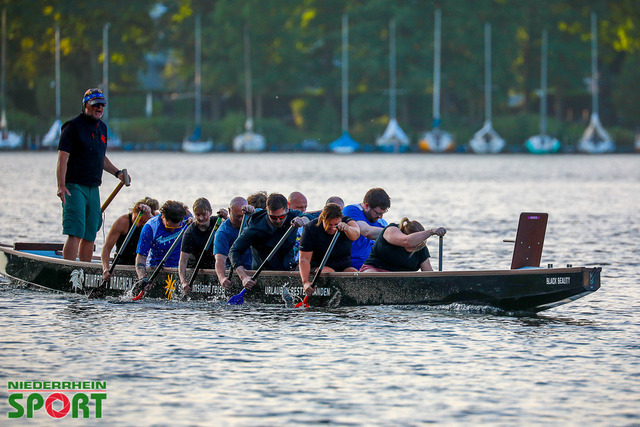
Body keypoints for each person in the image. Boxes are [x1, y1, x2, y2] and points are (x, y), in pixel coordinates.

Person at [56, 88, 129, 261]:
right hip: (74, 187)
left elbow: (100, 157)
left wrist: (118, 173)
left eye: (102, 104)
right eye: (96, 104)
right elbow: (62, 158)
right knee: (76, 231)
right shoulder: (72, 127)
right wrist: (61, 185)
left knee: (90, 233)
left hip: (93, 187)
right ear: (85, 105)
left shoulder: (102, 128)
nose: (100, 108)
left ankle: (84, 271)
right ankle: (68, 270)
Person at [229, 193, 310, 289]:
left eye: (281, 217)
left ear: (287, 209)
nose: (278, 220)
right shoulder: (255, 225)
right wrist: (244, 277)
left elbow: (314, 218)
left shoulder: (293, 215)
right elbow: (234, 251)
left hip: (288, 271)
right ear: (267, 210)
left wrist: (305, 220)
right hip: (262, 275)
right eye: (273, 217)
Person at [299, 203, 360, 296]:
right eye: (329, 224)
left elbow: (356, 234)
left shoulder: (347, 222)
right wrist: (306, 282)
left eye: (335, 224)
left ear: (341, 219)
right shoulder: (311, 228)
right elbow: (304, 259)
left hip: (343, 265)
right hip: (318, 266)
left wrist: (347, 229)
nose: (332, 228)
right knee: (330, 273)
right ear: (322, 219)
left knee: (354, 273)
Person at [101, 197, 159, 281]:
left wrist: (150, 216)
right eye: (136, 219)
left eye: (143, 222)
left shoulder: (155, 219)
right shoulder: (122, 222)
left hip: (143, 265)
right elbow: (106, 248)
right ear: (133, 212)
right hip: (122, 263)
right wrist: (106, 269)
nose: (138, 224)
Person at [178, 198, 228, 293]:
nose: (201, 218)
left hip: (216, 266)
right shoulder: (190, 232)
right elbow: (183, 261)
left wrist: (227, 217)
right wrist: (183, 282)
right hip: (196, 267)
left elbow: (233, 228)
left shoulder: (218, 222)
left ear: (210, 212)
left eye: (204, 214)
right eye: (198, 215)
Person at [360, 218, 446, 272]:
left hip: (400, 281)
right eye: (414, 243)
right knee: (371, 274)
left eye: (419, 243)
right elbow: (407, 241)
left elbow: (428, 273)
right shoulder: (391, 230)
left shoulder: (421, 247)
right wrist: (431, 232)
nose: (416, 246)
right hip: (374, 270)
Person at [135, 200, 190, 280]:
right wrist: (142, 278)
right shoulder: (150, 227)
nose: (172, 230)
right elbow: (141, 257)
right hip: (156, 269)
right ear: (163, 216)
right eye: (169, 226)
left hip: (180, 269)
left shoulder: (187, 219)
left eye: (176, 227)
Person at [342, 188, 391, 270]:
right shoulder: (351, 210)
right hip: (349, 265)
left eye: (383, 213)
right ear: (367, 206)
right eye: (378, 213)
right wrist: (391, 232)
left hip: (372, 266)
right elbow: (365, 231)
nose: (380, 217)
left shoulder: (382, 223)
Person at [213, 197, 253, 289]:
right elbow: (220, 259)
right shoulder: (222, 232)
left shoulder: (252, 219)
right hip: (233, 270)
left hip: (253, 269)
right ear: (230, 211)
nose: (241, 220)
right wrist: (222, 278)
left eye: (243, 216)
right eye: (237, 216)